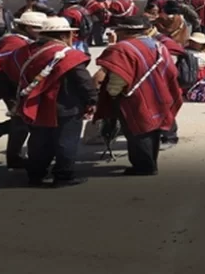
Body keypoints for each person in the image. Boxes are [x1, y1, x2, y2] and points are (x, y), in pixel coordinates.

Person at [10, 17, 97, 187]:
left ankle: (36, 175)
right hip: (67, 106)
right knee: (66, 142)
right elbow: (83, 81)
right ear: (65, 35)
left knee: (39, 142)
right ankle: (63, 177)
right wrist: (92, 100)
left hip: (38, 105)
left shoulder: (31, 52)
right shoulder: (69, 55)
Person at [93, 16, 183, 176]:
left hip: (134, 96)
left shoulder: (122, 48)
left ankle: (144, 167)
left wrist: (112, 93)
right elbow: (171, 70)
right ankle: (150, 163)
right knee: (153, 130)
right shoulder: (159, 45)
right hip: (158, 93)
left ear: (124, 31)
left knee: (137, 131)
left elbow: (119, 76)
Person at [0, 12, 47, 168]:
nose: (41, 31)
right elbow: (3, 66)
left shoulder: (22, 39)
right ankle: (0, 139)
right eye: (37, 28)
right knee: (22, 121)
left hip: (18, 85)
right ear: (26, 27)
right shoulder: (15, 42)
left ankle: (6, 148)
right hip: (11, 86)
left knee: (23, 120)